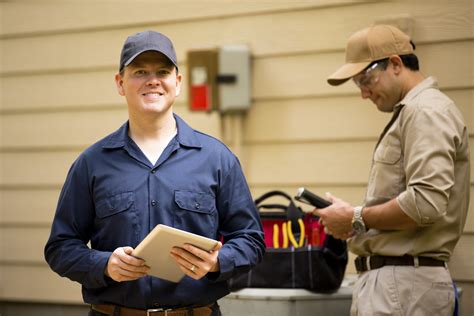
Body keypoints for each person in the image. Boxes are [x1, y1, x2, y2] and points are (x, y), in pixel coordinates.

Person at [44, 30, 265, 316]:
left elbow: (251, 240)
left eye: (163, 71)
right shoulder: (91, 164)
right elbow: (60, 247)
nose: (153, 80)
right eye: (139, 71)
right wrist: (104, 264)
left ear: (178, 82)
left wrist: (218, 261)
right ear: (120, 83)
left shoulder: (217, 159)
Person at [314, 24, 470, 315]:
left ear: (395, 64)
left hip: (405, 286)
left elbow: (426, 203)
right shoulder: (414, 112)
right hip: (398, 286)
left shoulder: (425, 112)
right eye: (357, 84)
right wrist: (355, 218)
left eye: (366, 79)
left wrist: (356, 218)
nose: (364, 93)